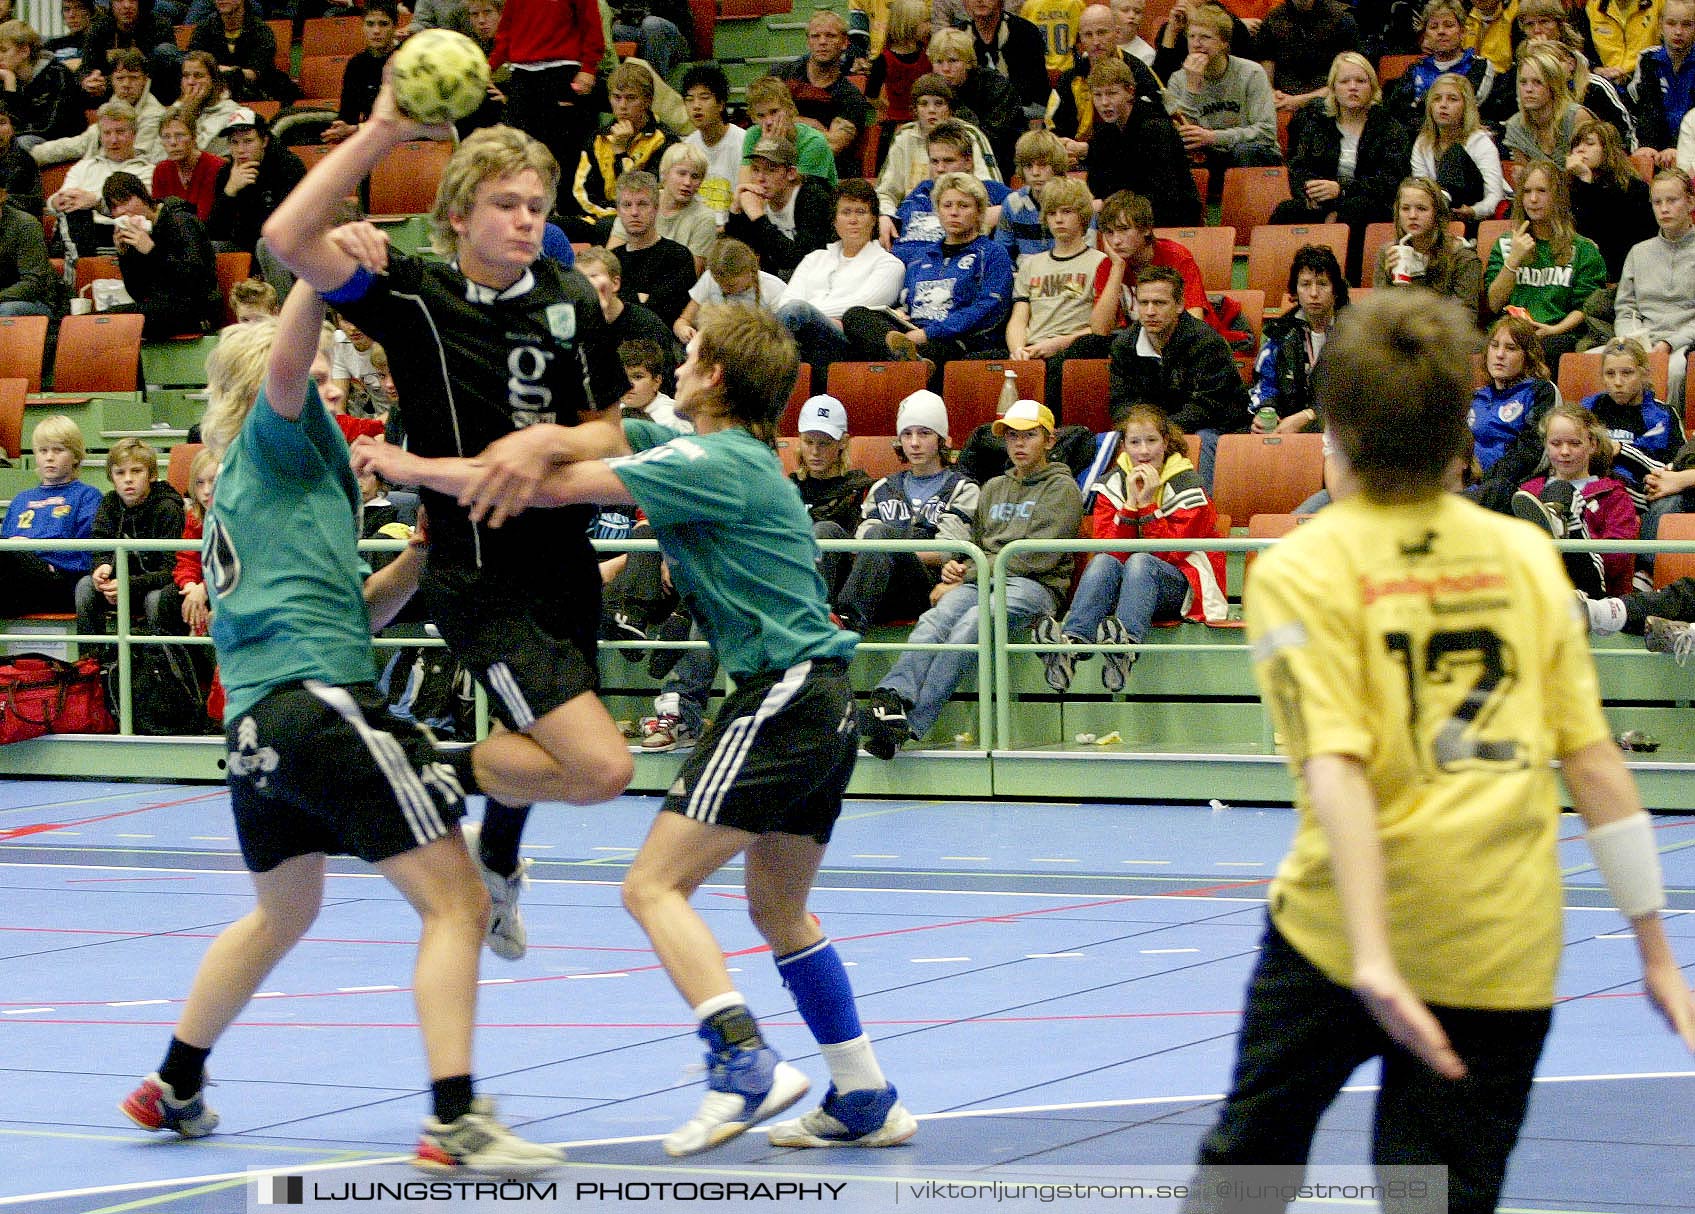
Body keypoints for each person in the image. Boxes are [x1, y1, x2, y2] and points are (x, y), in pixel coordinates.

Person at [1180, 285, 1695, 1214]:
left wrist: (1372, 955)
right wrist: (1656, 951)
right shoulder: (1522, 557)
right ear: (1456, 426)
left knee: (1244, 1174)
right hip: (1498, 941)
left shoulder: (1302, 565)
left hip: (1336, 937)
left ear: (1334, 425)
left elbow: (1335, 768)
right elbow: (1593, 766)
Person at [437, 301, 922, 1155]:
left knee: (650, 887)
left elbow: (555, 486)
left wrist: (410, 465)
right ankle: (864, 1094)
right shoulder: (719, 454)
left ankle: (741, 1064)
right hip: (827, 701)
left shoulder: (715, 462)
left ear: (715, 377)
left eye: (690, 354)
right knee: (781, 912)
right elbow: (613, 435)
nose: (678, 365)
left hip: (783, 691)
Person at [116, 287, 564, 1176]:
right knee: (457, 903)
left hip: (259, 730)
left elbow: (351, 616)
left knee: (283, 913)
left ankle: (173, 1081)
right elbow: (288, 359)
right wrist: (317, 268)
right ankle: (454, 1119)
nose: (327, 384)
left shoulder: (277, 482)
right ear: (265, 388)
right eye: (314, 375)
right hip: (318, 708)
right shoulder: (274, 439)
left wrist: (422, 555)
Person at [265, 102, 635, 966]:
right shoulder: (413, 295)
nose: (525, 221)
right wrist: (386, 132)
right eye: (506, 204)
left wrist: (548, 438)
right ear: (458, 215)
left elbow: (608, 433)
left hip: (564, 563)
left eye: (536, 207)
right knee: (598, 769)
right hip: (475, 576)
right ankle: (425, 770)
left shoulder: (569, 298)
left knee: (539, 744)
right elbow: (287, 236)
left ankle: (497, 860)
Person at [863, 398, 1083, 757]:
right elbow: (974, 542)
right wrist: (956, 564)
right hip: (982, 576)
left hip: (1035, 587)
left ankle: (912, 723)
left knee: (973, 623)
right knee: (936, 619)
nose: (1019, 444)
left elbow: (1038, 557)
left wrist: (973, 566)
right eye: (1012, 436)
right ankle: (892, 698)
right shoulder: (994, 487)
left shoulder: (1063, 489)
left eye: (1029, 436)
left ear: (1049, 440)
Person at [1035, 401, 1226, 693]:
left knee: (1141, 561)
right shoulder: (1111, 484)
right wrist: (1129, 505)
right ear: (1124, 446)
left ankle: (1126, 646)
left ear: (1166, 443)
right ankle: (1072, 645)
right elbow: (1110, 551)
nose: (1144, 451)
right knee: (1102, 562)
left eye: (1151, 441)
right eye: (1135, 442)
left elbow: (1170, 554)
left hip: (1181, 587)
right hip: (1129, 586)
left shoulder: (1190, 486)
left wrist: (1148, 505)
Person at [843, 169, 1013, 383]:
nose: (954, 212)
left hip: (956, 339)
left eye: (963, 206)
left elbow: (987, 309)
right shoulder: (920, 257)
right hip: (914, 330)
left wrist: (929, 334)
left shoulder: (992, 253)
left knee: (935, 350)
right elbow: (907, 302)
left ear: (979, 212)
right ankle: (909, 360)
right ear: (937, 211)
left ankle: (907, 364)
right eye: (947, 205)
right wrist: (901, 314)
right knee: (855, 315)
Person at [835, 388, 978, 635]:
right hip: (876, 583)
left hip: (924, 588)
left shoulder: (963, 488)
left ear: (942, 440)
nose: (914, 443)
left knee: (882, 537)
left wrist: (893, 550)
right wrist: (885, 552)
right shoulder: (882, 488)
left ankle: (848, 623)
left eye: (924, 433)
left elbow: (948, 550)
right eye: (907, 434)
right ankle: (811, 618)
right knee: (827, 532)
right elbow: (861, 545)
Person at [1107, 264, 1248, 488]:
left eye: (1160, 303)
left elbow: (1208, 406)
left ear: (1180, 305)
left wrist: (1160, 433)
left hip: (1215, 428)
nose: (1150, 311)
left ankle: (1199, 508)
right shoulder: (1124, 346)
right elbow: (1121, 403)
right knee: (1121, 442)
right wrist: (1146, 433)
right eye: (1144, 303)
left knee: (1199, 440)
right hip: (1154, 431)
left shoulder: (1206, 342)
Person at [1271, 52, 1404, 279]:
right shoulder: (1316, 123)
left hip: (1371, 204)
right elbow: (1299, 167)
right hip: (1323, 202)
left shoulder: (1389, 128)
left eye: (1360, 81)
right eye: (1344, 82)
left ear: (1372, 87)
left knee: (1355, 210)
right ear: (1333, 88)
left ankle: (1346, 281)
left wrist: (1341, 191)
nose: (1353, 87)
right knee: (1286, 211)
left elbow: (1390, 181)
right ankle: (1285, 280)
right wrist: (1309, 192)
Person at [1484, 157, 1609, 363]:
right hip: (1511, 335)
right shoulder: (1507, 244)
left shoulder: (1583, 250)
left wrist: (1554, 329)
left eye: (1542, 191)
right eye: (1526, 192)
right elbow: (1495, 303)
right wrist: (1513, 260)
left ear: (1558, 197)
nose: (1533, 199)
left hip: (1558, 335)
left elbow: (1586, 308)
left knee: (1545, 349)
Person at [1510, 400, 1640, 596]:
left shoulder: (1614, 496)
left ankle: (1564, 525)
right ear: (1546, 444)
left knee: (1563, 492)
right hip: (1533, 588)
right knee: (1498, 490)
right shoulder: (1527, 491)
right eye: (1556, 443)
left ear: (1592, 445)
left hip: (1590, 593)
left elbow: (1616, 561)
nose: (1564, 452)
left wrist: (1577, 535)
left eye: (1574, 443)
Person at [778, 179, 906, 377]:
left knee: (797, 311)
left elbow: (861, 308)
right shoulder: (814, 258)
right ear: (835, 220)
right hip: (804, 334)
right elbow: (785, 303)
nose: (853, 220)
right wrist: (818, 317)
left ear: (873, 219)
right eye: (846, 212)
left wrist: (811, 313)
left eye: (861, 212)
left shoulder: (889, 264)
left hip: (847, 342)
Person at [74, 436, 185, 648]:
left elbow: (171, 570)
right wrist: (102, 568)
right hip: (120, 586)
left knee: (156, 600)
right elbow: (100, 547)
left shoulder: (168, 508)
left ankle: (162, 671)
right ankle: (90, 668)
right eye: (120, 473)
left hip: (156, 587)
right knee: (85, 586)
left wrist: (128, 585)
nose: (128, 479)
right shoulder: (108, 503)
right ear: (111, 476)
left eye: (136, 471)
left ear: (151, 475)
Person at [1004, 175, 1105, 405]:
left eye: (1066, 212)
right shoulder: (1031, 264)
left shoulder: (1100, 263)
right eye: (1052, 213)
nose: (1058, 219)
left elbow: (1102, 328)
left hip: (1072, 349)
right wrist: (1019, 350)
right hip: (1032, 350)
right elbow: (1019, 319)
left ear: (1082, 216)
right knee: (978, 363)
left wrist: (1060, 343)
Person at [489, 0, 604, 193]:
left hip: (562, 73)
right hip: (522, 77)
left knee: (564, 154)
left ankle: (566, 215)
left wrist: (589, 68)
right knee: (519, 151)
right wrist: (491, 65)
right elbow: (506, 29)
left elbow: (591, 23)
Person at [1162, 2, 1284, 180]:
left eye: (1205, 37)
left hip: (1248, 152)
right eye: (1191, 36)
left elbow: (1266, 132)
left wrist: (1213, 137)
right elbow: (1180, 135)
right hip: (1207, 154)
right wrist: (1191, 89)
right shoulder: (1179, 79)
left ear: (1224, 43)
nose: (1196, 44)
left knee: (1246, 151)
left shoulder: (1251, 73)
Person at [0, 416, 102, 615]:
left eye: (58, 450)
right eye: (43, 450)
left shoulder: (87, 497)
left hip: (60, 580)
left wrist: (36, 553)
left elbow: (90, 555)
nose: (49, 457)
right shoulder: (21, 499)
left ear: (75, 456)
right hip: (16, 583)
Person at [1083, 56, 1203, 226]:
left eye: (1112, 93)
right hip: (1121, 219)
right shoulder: (1104, 132)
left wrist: (1107, 204)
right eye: (1098, 95)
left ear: (1130, 91)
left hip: (1169, 217)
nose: (1104, 103)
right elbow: (1096, 184)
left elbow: (1164, 192)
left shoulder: (1156, 128)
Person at [1614, 166, 1695, 411]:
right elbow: (1625, 307)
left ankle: (1665, 438)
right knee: (1594, 362)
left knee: (1673, 371)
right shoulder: (1639, 252)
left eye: (1672, 200)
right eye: (1657, 202)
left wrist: (1669, 343)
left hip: (1683, 344)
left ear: (1691, 203)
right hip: (1641, 341)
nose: (1664, 208)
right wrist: (1631, 339)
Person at [567, 61, 673, 244]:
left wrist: (621, 153)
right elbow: (581, 191)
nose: (623, 106)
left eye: (631, 98)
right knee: (550, 226)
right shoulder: (599, 138)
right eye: (617, 97)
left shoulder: (664, 140)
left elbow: (647, 194)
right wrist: (607, 213)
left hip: (642, 221)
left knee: (608, 227)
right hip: (599, 216)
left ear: (647, 101)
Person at [103, 171, 218, 338]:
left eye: (125, 201)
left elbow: (196, 282)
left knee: (112, 322)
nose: (121, 211)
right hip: (160, 310)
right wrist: (125, 255)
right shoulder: (141, 231)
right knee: (97, 322)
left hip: (196, 311)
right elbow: (139, 294)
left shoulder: (182, 221)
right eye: (114, 207)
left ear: (143, 196)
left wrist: (152, 251)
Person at [876, 74, 1000, 226]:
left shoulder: (969, 135)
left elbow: (989, 187)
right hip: (914, 218)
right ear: (914, 109)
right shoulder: (905, 137)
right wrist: (886, 217)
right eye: (924, 104)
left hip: (961, 219)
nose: (931, 110)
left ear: (950, 108)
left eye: (939, 103)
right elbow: (885, 192)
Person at [1251, 244, 1348, 435]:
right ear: (1295, 291)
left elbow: (1359, 395)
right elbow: (1265, 384)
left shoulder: (1355, 333)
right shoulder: (1280, 334)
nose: (1313, 293)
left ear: (1335, 290)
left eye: (1322, 284)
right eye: (1305, 284)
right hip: (1288, 432)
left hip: (1343, 433)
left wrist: (1308, 416)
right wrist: (1267, 411)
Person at [880, 118, 1008, 263]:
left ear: (968, 162)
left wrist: (1003, 211)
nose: (940, 169)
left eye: (948, 161)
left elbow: (1030, 206)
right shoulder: (922, 190)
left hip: (947, 268)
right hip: (896, 262)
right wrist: (884, 217)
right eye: (934, 161)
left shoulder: (988, 190)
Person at [1472, 313, 1560, 508]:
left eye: (1510, 348)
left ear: (1528, 357)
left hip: (1514, 488)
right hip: (1469, 486)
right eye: (1494, 346)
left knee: (1497, 489)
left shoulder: (1540, 391)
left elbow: (1534, 451)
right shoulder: (1475, 397)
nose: (1500, 354)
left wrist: (1486, 480)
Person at [725, 133, 836, 281]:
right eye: (756, 169)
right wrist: (736, 210)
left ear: (791, 173)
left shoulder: (813, 198)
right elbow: (733, 256)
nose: (760, 178)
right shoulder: (756, 199)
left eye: (770, 170)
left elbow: (797, 260)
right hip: (774, 283)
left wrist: (759, 218)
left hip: (816, 281)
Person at [776, 9, 877, 171]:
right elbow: (761, 118)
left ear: (845, 43)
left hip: (826, 176)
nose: (822, 42)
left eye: (830, 36)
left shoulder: (851, 96)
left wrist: (789, 122)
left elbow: (832, 146)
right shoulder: (781, 75)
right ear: (808, 42)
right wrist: (814, 125)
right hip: (779, 167)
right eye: (815, 36)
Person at [1383, 0, 1501, 136]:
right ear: (1425, 35)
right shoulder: (1415, 70)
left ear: (1462, 32)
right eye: (1433, 27)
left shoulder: (1479, 67)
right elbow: (1399, 114)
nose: (1441, 32)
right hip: (1420, 141)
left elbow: (1465, 111)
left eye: (1448, 25)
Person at [27, 48, 160, 168]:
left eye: (133, 78)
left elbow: (138, 156)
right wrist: (33, 155)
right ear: (112, 81)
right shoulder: (111, 108)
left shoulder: (153, 114)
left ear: (145, 80)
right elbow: (81, 143)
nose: (126, 84)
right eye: (120, 78)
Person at [1408, 71, 1506, 226]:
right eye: (1437, 99)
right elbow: (1421, 188)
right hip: (1435, 216)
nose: (1443, 105)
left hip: (1475, 215)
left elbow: (1495, 196)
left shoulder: (1481, 141)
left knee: (1454, 153)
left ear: (1466, 107)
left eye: (1452, 99)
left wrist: (1474, 211)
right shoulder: (1422, 142)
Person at [1373, 175, 1485, 304]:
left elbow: (1466, 317)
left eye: (1421, 209)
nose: (1412, 215)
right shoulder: (1388, 254)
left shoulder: (1463, 258)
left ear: (1437, 214)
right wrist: (1388, 280)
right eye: (1405, 208)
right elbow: (1379, 315)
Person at [607, 169, 698, 326]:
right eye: (627, 205)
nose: (634, 212)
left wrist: (626, 301)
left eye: (642, 204)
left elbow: (661, 317)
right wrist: (640, 299)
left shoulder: (678, 257)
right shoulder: (611, 261)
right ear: (618, 211)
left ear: (656, 208)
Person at [926, 27, 1023, 174]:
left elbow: (992, 139)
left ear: (968, 62)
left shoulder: (995, 87)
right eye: (939, 62)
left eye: (953, 61)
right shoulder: (930, 91)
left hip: (999, 162)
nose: (945, 69)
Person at [208, 111, 306, 256]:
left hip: (285, 246)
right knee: (209, 247)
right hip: (244, 247)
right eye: (234, 142)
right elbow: (215, 232)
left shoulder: (288, 167)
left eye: (248, 141)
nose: (240, 150)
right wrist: (229, 192)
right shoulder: (226, 172)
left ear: (264, 141)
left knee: (266, 244)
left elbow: (291, 223)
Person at [611, 142, 715, 276]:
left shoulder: (705, 218)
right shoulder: (639, 202)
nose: (687, 182)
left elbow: (689, 275)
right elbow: (611, 262)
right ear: (664, 173)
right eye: (681, 173)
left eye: (695, 176)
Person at [148, 445, 216, 638]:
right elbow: (186, 560)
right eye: (199, 483)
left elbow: (235, 567)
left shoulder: (240, 519)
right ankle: (183, 667)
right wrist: (191, 588)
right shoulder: (194, 518)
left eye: (213, 482)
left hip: (229, 588)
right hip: (199, 588)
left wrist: (204, 589)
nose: (206, 490)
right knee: (169, 597)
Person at [674, 236, 784, 343]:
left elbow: (780, 339)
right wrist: (683, 330)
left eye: (731, 285)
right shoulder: (709, 278)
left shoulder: (774, 288)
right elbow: (683, 320)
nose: (725, 289)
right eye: (719, 284)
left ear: (750, 271)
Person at [1257, 0, 1360, 111]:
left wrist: (1300, 101)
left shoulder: (1342, 19)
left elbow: (1349, 78)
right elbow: (1266, 70)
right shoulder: (1273, 19)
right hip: (1282, 100)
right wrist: (1272, 95)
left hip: (1329, 101)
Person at [1503, 39, 1595, 163]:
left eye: (1537, 82)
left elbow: (1596, 172)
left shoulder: (1576, 118)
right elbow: (1525, 179)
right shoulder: (1515, 126)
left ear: (1553, 85)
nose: (1528, 89)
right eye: (1523, 82)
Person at [1628, 0, 1695, 168]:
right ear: (1660, 25)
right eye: (1671, 23)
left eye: (1687, 25)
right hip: (1657, 146)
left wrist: (1676, 147)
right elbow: (1647, 109)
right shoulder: (1648, 60)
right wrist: (1647, 145)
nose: (1678, 32)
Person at [741, 75, 840, 186]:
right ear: (753, 118)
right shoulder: (752, 135)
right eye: (761, 115)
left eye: (774, 112)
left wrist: (773, 149)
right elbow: (746, 187)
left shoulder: (814, 142)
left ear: (790, 108)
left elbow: (795, 196)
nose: (768, 121)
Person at [322, 0, 399, 144]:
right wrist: (340, 129)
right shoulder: (356, 65)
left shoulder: (407, 61)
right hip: (369, 139)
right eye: (370, 24)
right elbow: (347, 114)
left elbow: (403, 119)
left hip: (403, 139)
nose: (376, 31)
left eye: (383, 24)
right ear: (362, 26)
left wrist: (356, 129)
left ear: (395, 26)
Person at [0, 19, 84, 148]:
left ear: (24, 52)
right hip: (23, 137)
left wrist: (11, 90)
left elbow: (48, 128)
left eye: (4, 50)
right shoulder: (5, 76)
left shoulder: (57, 75)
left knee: (19, 145)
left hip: (59, 141)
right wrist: (9, 83)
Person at [186, 0, 288, 105]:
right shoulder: (204, 30)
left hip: (254, 94)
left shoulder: (261, 31)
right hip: (212, 93)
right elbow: (193, 63)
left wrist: (225, 71)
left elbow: (256, 72)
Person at [866, 0, 932, 159]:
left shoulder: (927, 55)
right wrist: (887, 107)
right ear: (909, 24)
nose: (929, 26)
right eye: (925, 22)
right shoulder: (883, 61)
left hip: (925, 121)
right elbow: (870, 95)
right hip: (895, 124)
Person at [680, 63, 745, 225]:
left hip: (734, 231)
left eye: (704, 97)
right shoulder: (688, 146)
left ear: (721, 104)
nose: (696, 106)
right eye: (689, 99)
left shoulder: (742, 143)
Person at [993, 129, 1070, 264]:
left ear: (1057, 166)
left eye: (1043, 165)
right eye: (1028, 166)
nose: (1035, 173)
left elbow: (1088, 252)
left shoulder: (1075, 200)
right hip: (1024, 278)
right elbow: (1001, 254)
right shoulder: (1012, 203)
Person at [150, 105, 223, 222]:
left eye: (180, 135)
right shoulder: (161, 170)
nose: (173, 142)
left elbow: (205, 217)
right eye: (166, 137)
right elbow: (159, 217)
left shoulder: (215, 166)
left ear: (194, 136)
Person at [173, 51, 243, 158]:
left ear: (214, 80)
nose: (191, 82)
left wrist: (188, 111)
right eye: (186, 76)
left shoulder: (231, 112)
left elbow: (193, 153)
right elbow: (158, 152)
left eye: (198, 76)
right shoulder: (179, 106)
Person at [0, 176, 52, 317]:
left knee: (5, 310)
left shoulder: (26, 225)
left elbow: (32, 284)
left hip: (33, 303)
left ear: (2, 195)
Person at [0, 98, 41, 216]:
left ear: (12, 129)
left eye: (2, 123)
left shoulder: (22, 161)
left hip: (16, 221)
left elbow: (8, 200)